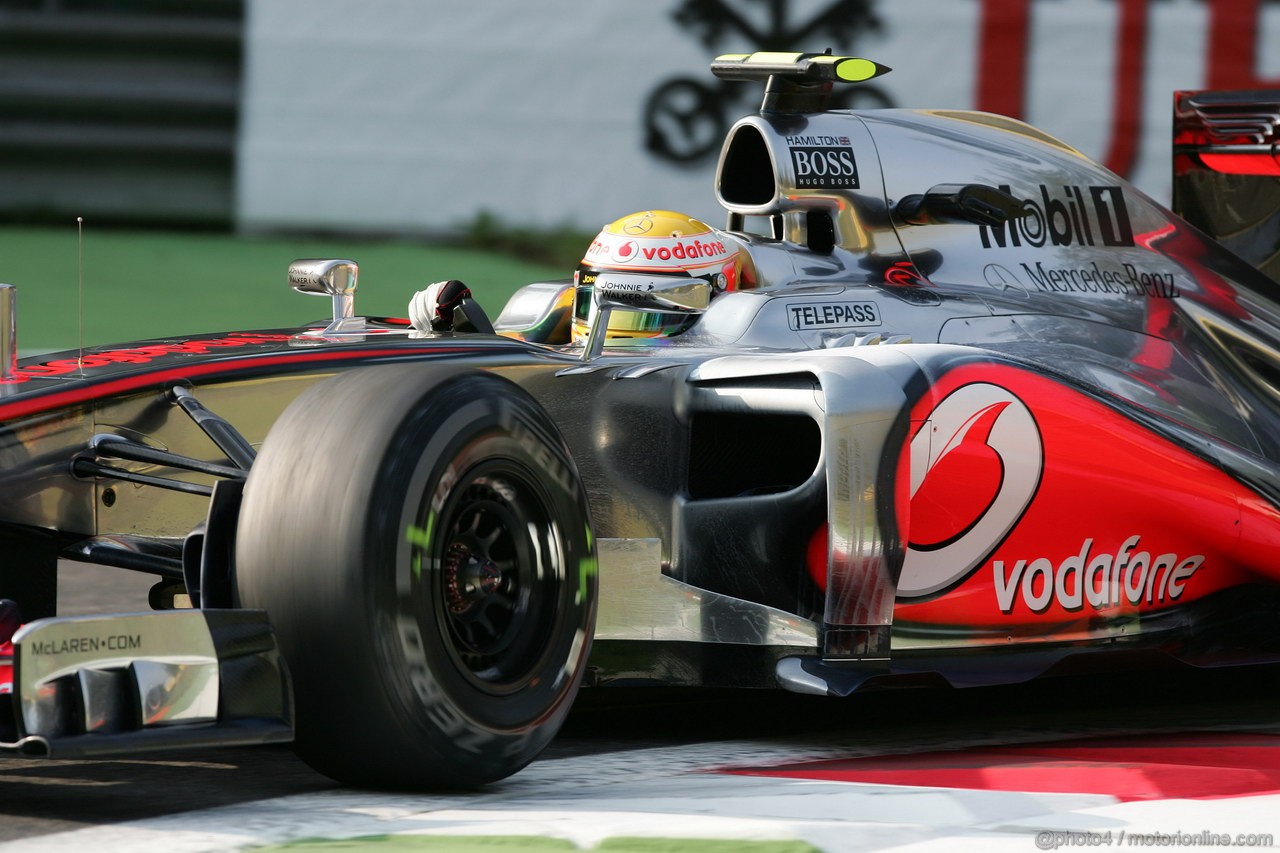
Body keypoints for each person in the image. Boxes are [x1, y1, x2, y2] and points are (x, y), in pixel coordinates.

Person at [408, 210, 755, 345]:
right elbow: (509, 347)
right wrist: (448, 328)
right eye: (601, 301)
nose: (613, 325)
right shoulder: (561, 314)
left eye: (648, 306)